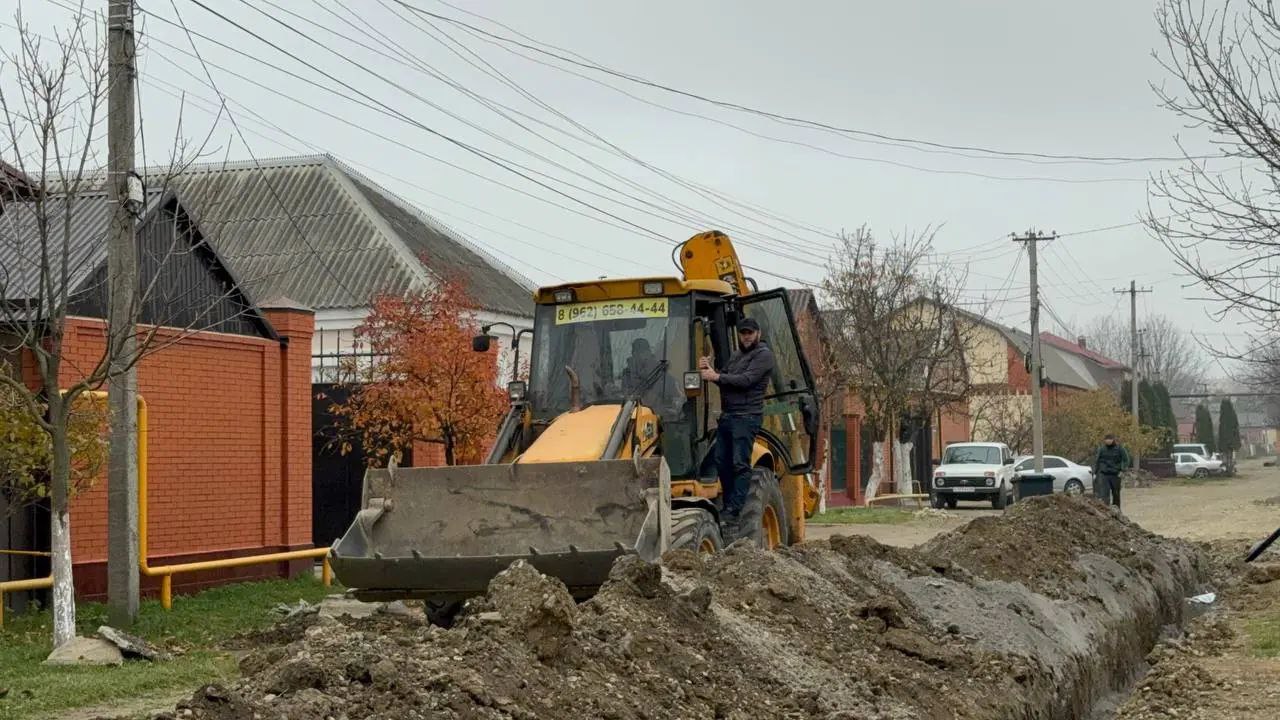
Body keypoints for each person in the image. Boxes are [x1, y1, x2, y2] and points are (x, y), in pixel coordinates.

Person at [699, 317, 775, 531]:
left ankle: (735, 510)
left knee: (740, 463)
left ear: (758, 333)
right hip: (729, 415)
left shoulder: (764, 355)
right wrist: (710, 368)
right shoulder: (737, 355)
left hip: (747, 416)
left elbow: (746, 381)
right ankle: (729, 505)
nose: (747, 336)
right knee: (721, 461)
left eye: (750, 332)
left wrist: (715, 376)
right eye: (743, 333)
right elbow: (726, 376)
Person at [1090, 433, 1131, 509]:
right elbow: (1097, 461)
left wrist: (1122, 470)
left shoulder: (1120, 449)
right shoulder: (1102, 449)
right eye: (1106, 440)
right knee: (1104, 494)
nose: (1108, 441)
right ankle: (1106, 510)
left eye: (1110, 440)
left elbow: (1126, 460)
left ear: (1113, 440)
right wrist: (1095, 472)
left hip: (1116, 474)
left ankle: (1117, 510)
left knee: (1116, 494)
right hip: (1104, 474)